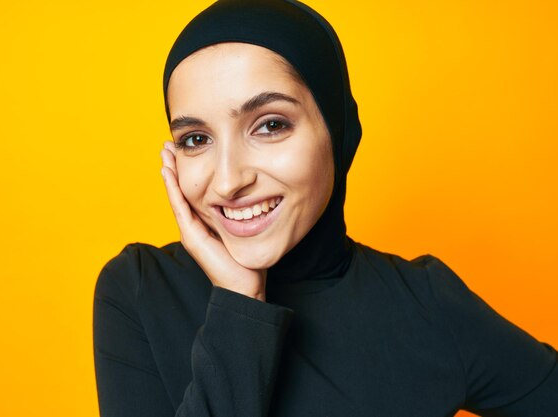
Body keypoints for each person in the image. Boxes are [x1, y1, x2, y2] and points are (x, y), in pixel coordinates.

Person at [92, 1, 558, 416]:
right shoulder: (138, 290)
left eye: (270, 125)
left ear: (336, 132)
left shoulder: (425, 304)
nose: (229, 180)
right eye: (196, 139)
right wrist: (239, 304)